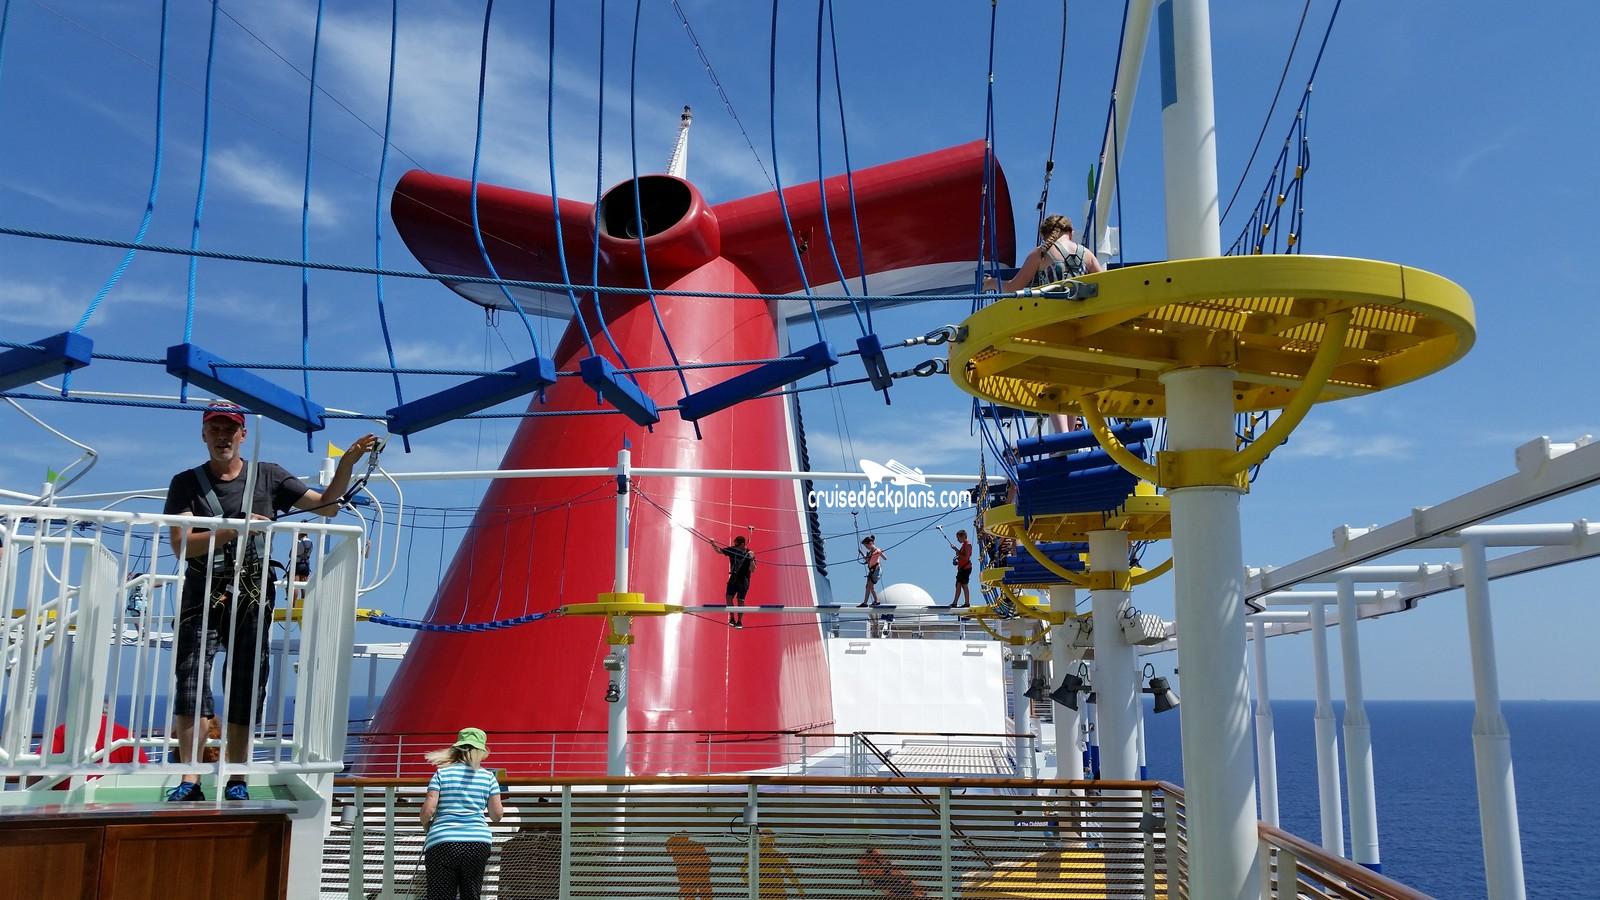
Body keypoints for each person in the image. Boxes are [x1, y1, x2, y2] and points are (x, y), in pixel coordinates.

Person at [162, 401, 377, 801]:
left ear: (243, 435)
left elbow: (327, 506)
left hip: (252, 594)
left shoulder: (269, 476)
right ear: (204, 434)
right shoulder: (185, 483)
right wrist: (235, 530)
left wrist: (347, 463)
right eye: (215, 429)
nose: (222, 436)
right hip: (201, 593)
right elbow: (182, 546)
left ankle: (237, 775)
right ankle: (190, 779)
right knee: (190, 682)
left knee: (246, 682)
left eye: (230, 430)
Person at [420, 728, 504, 900]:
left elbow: (428, 809)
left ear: (457, 749)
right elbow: (497, 815)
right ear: (481, 751)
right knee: (471, 895)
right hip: (477, 843)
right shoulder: (488, 777)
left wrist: (426, 826)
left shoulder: (442, 773)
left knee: (440, 896)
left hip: (443, 841)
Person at [985, 213, 1104, 293]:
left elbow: (1014, 287)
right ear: (1071, 232)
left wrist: (991, 283)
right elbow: (1105, 282)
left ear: (1045, 236)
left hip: (1051, 313)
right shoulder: (1087, 254)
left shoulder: (1041, 252)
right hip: (1082, 312)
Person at [708, 531, 756, 629]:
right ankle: (732, 618)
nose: (735, 546)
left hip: (743, 581)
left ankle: (739, 621)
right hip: (734, 578)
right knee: (729, 597)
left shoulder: (749, 554)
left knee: (740, 601)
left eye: (737, 545)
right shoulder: (732, 550)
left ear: (742, 544)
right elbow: (719, 551)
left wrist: (751, 559)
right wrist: (713, 544)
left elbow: (753, 569)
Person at [947, 529, 973, 608]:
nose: (957, 540)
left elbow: (966, 557)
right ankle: (957, 602)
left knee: (963, 585)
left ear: (963, 536)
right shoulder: (964, 545)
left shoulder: (967, 544)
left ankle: (964, 603)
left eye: (958, 538)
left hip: (965, 568)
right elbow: (962, 555)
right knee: (959, 584)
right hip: (962, 568)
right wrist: (956, 552)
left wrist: (957, 552)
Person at [858, 536, 886, 608]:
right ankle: (865, 602)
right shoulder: (870, 552)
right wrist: (861, 553)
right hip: (872, 571)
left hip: (876, 571)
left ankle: (876, 601)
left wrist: (880, 553)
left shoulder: (877, 550)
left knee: (870, 586)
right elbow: (867, 560)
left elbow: (885, 558)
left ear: (870, 543)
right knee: (868, 586)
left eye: (866, 546)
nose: (866, 548)